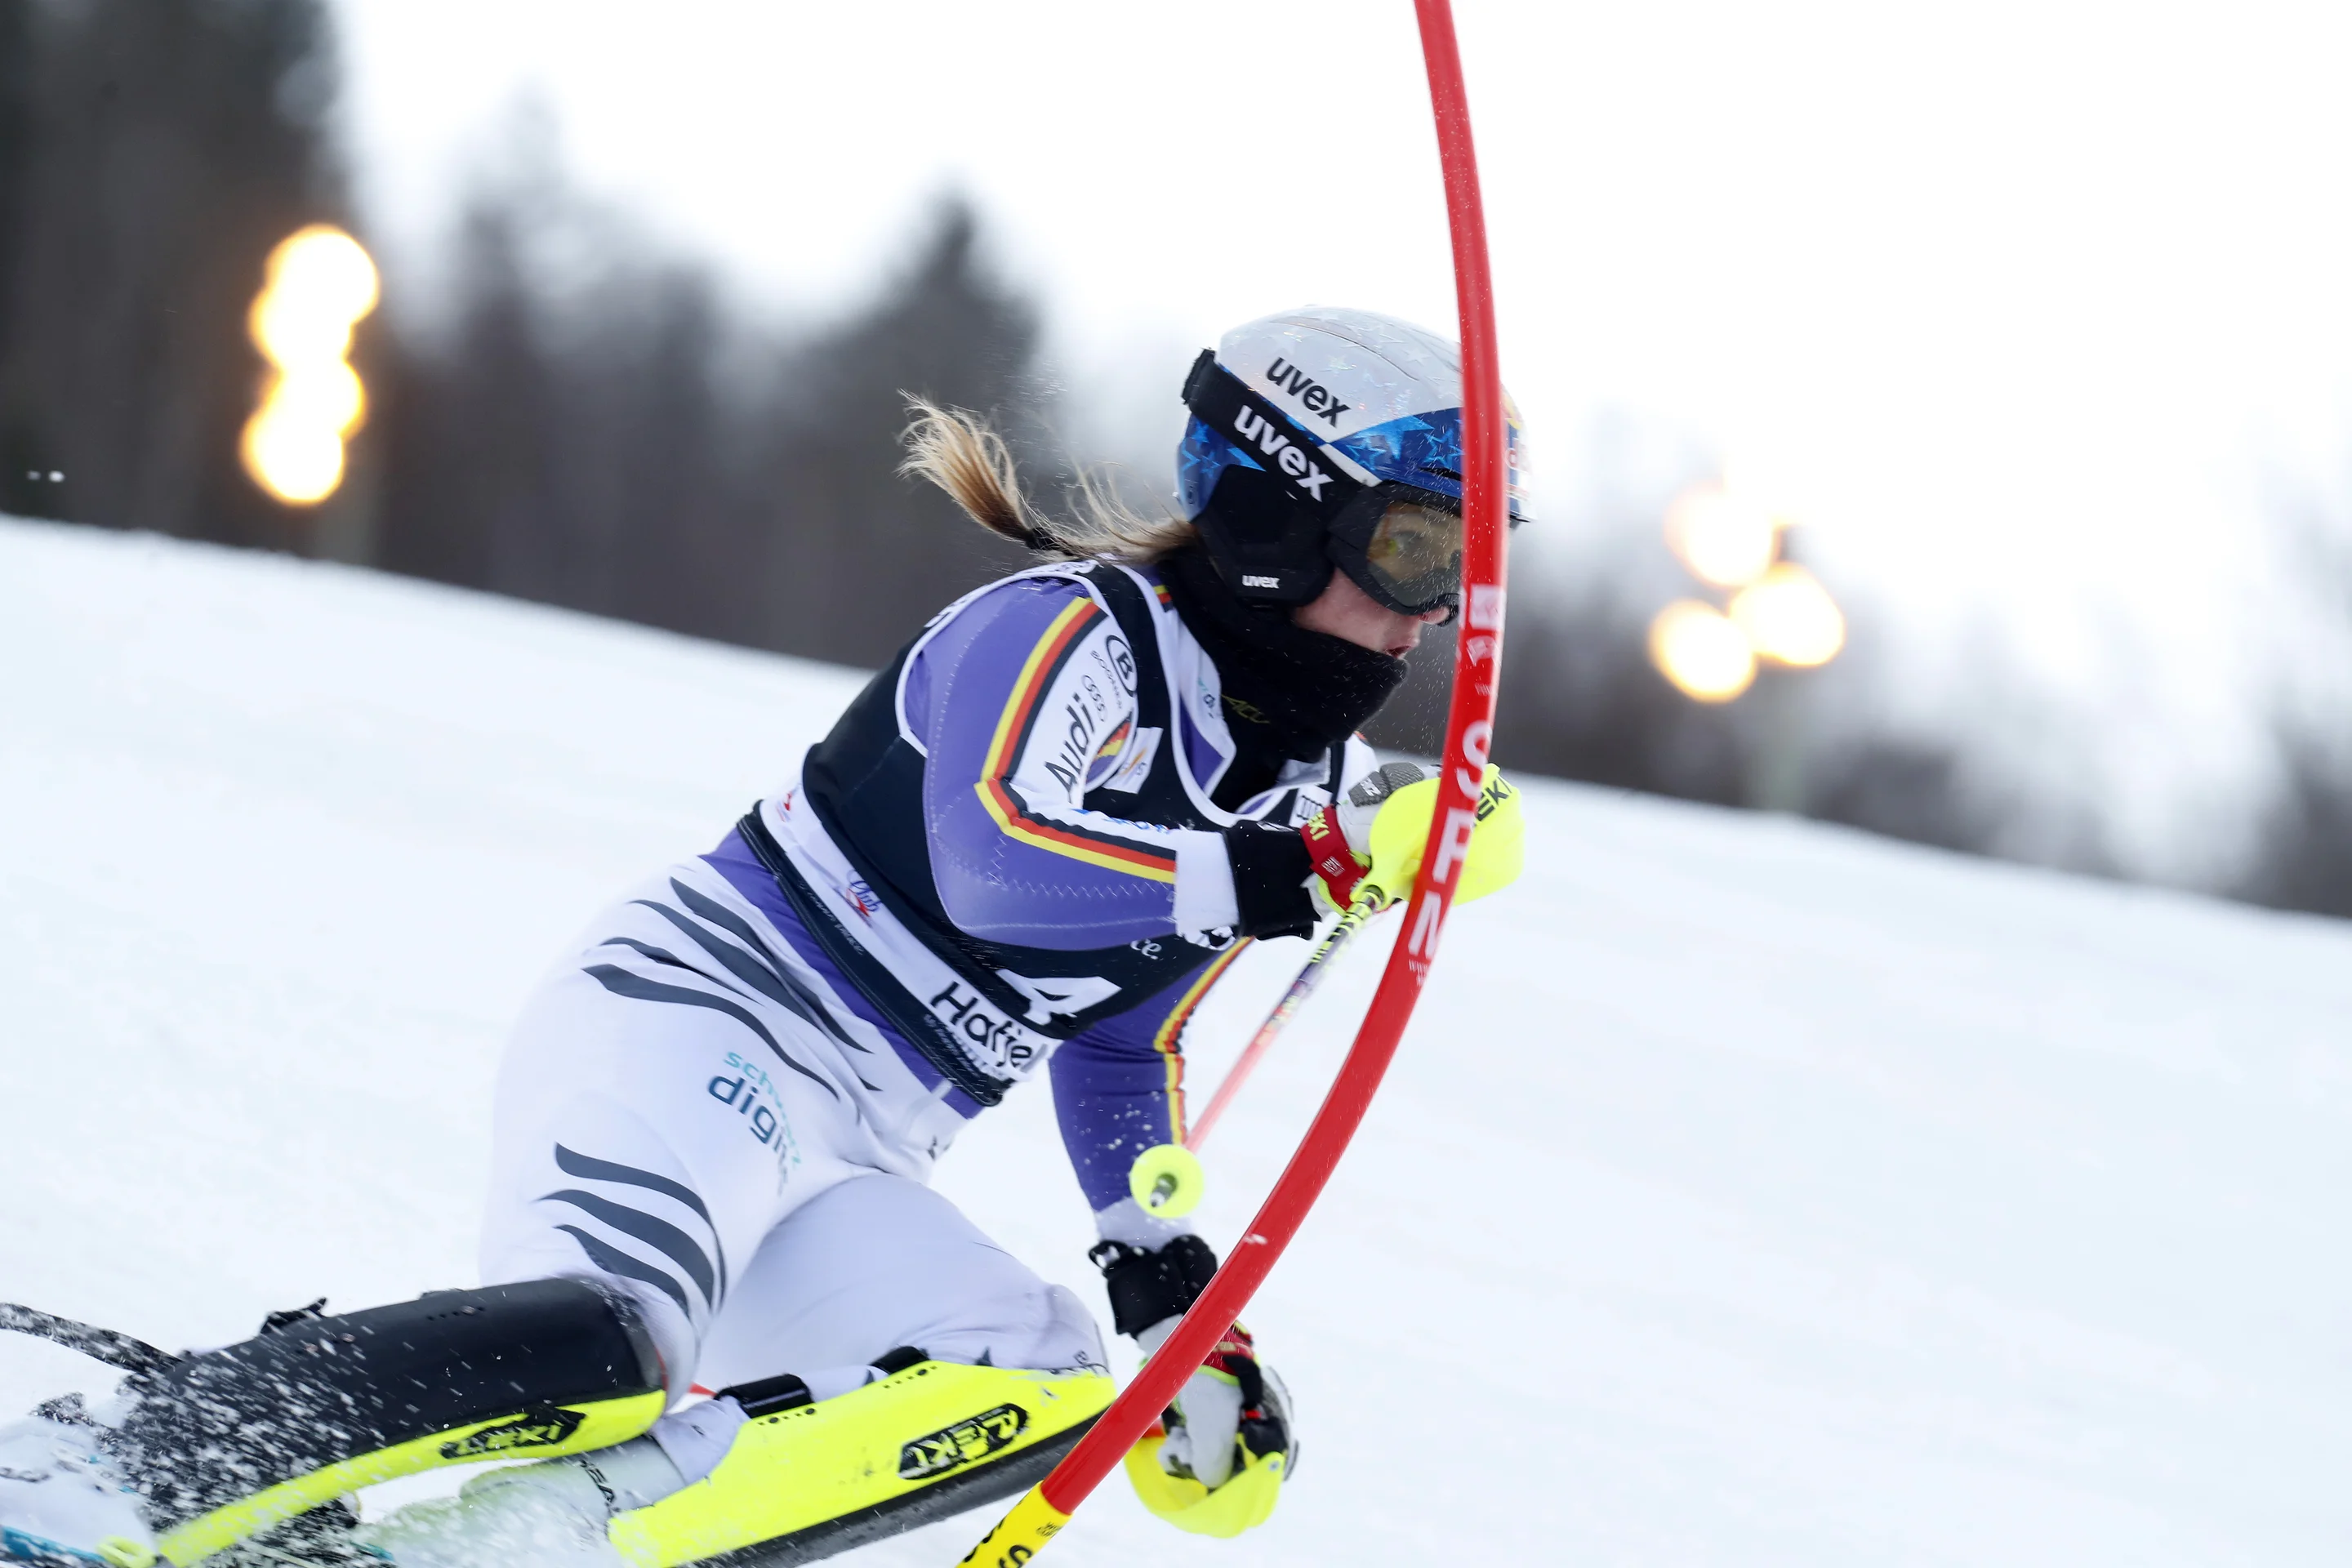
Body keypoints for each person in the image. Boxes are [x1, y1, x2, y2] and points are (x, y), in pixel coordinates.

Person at [0, 305, 1528, 1568]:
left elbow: (1122, 1033)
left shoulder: (1288, 782)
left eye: (1454, 573)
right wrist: (1285, 872)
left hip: (865, 1144)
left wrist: (1176, 1299)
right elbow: (997, 865)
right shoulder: (1070, 637)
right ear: (1273, 514)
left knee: (1037, 1385)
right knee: (623, 1343)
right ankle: (110, 1473)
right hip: (703, 1023)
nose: (1422, 617)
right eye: (1407, 553)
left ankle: (465, 1558)